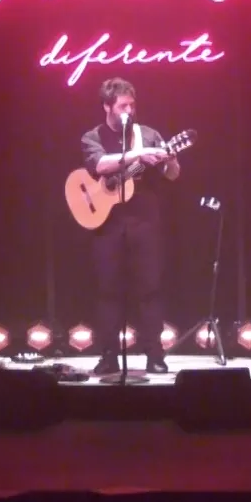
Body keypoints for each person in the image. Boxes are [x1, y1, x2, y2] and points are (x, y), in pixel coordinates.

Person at [80, 76, 180, 375]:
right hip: (108, 223)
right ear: (106, 106)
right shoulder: (92, 136)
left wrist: (171, 159)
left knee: (150, 289)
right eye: (122, 105)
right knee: (108, 290)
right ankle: (109, 355)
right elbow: (99, 166)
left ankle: (155, 355)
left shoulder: (148, 134)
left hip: (144, 221)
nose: (129, 111)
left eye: (132, 105)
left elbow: (172, 175)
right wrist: (136, 155)